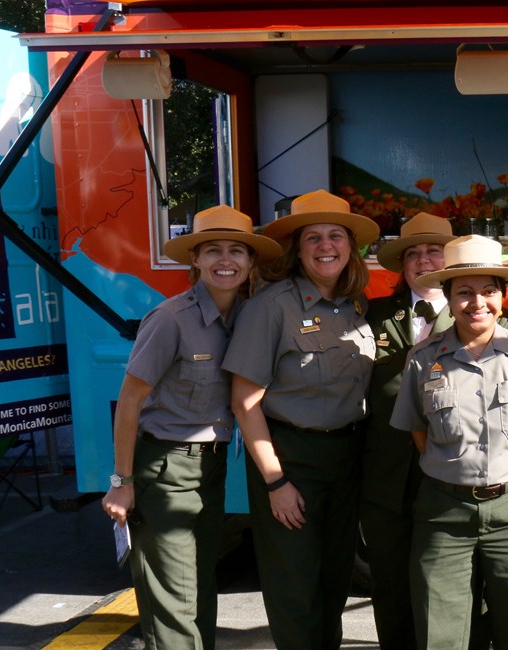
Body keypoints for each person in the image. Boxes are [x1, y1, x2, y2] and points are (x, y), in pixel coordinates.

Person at [101, 205, 279, 650]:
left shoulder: (245, 316)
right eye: (213, 250)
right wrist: (121, 483)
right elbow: (129, 403)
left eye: (237, 250)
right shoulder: (170, 320)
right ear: (194, 260)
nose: (226, 260)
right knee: (174, 603)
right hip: (165, 470)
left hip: (211, 470)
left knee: (200, 591)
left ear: (251, 262)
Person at [391, 234, 508, 650]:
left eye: (489, 291)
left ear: (502, 297)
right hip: (443, 511)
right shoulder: (422, 358)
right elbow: (419, 432)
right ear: (448, 298)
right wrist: (456, 468)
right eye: (464, 292)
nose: (477, 303)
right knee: (440, 632)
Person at [222, 189, 380, 649]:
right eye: (313, 238)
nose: (325, 246)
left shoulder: (354, 305)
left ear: (350, 247)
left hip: (346, 456)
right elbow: (244, 403)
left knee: (334, 582)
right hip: (292, 459)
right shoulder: (271, 307)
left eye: (336, 236)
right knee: (295, 588)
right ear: (297, 248)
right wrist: (275, 482)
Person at [361, 213, 508, 649]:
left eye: (434, 251)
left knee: (466, 587)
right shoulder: (370, 316)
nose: (424, 260)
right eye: (414, 253)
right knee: (391, 587)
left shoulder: (491, 317)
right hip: (389, 480)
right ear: (402, 264)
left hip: (459, 477)